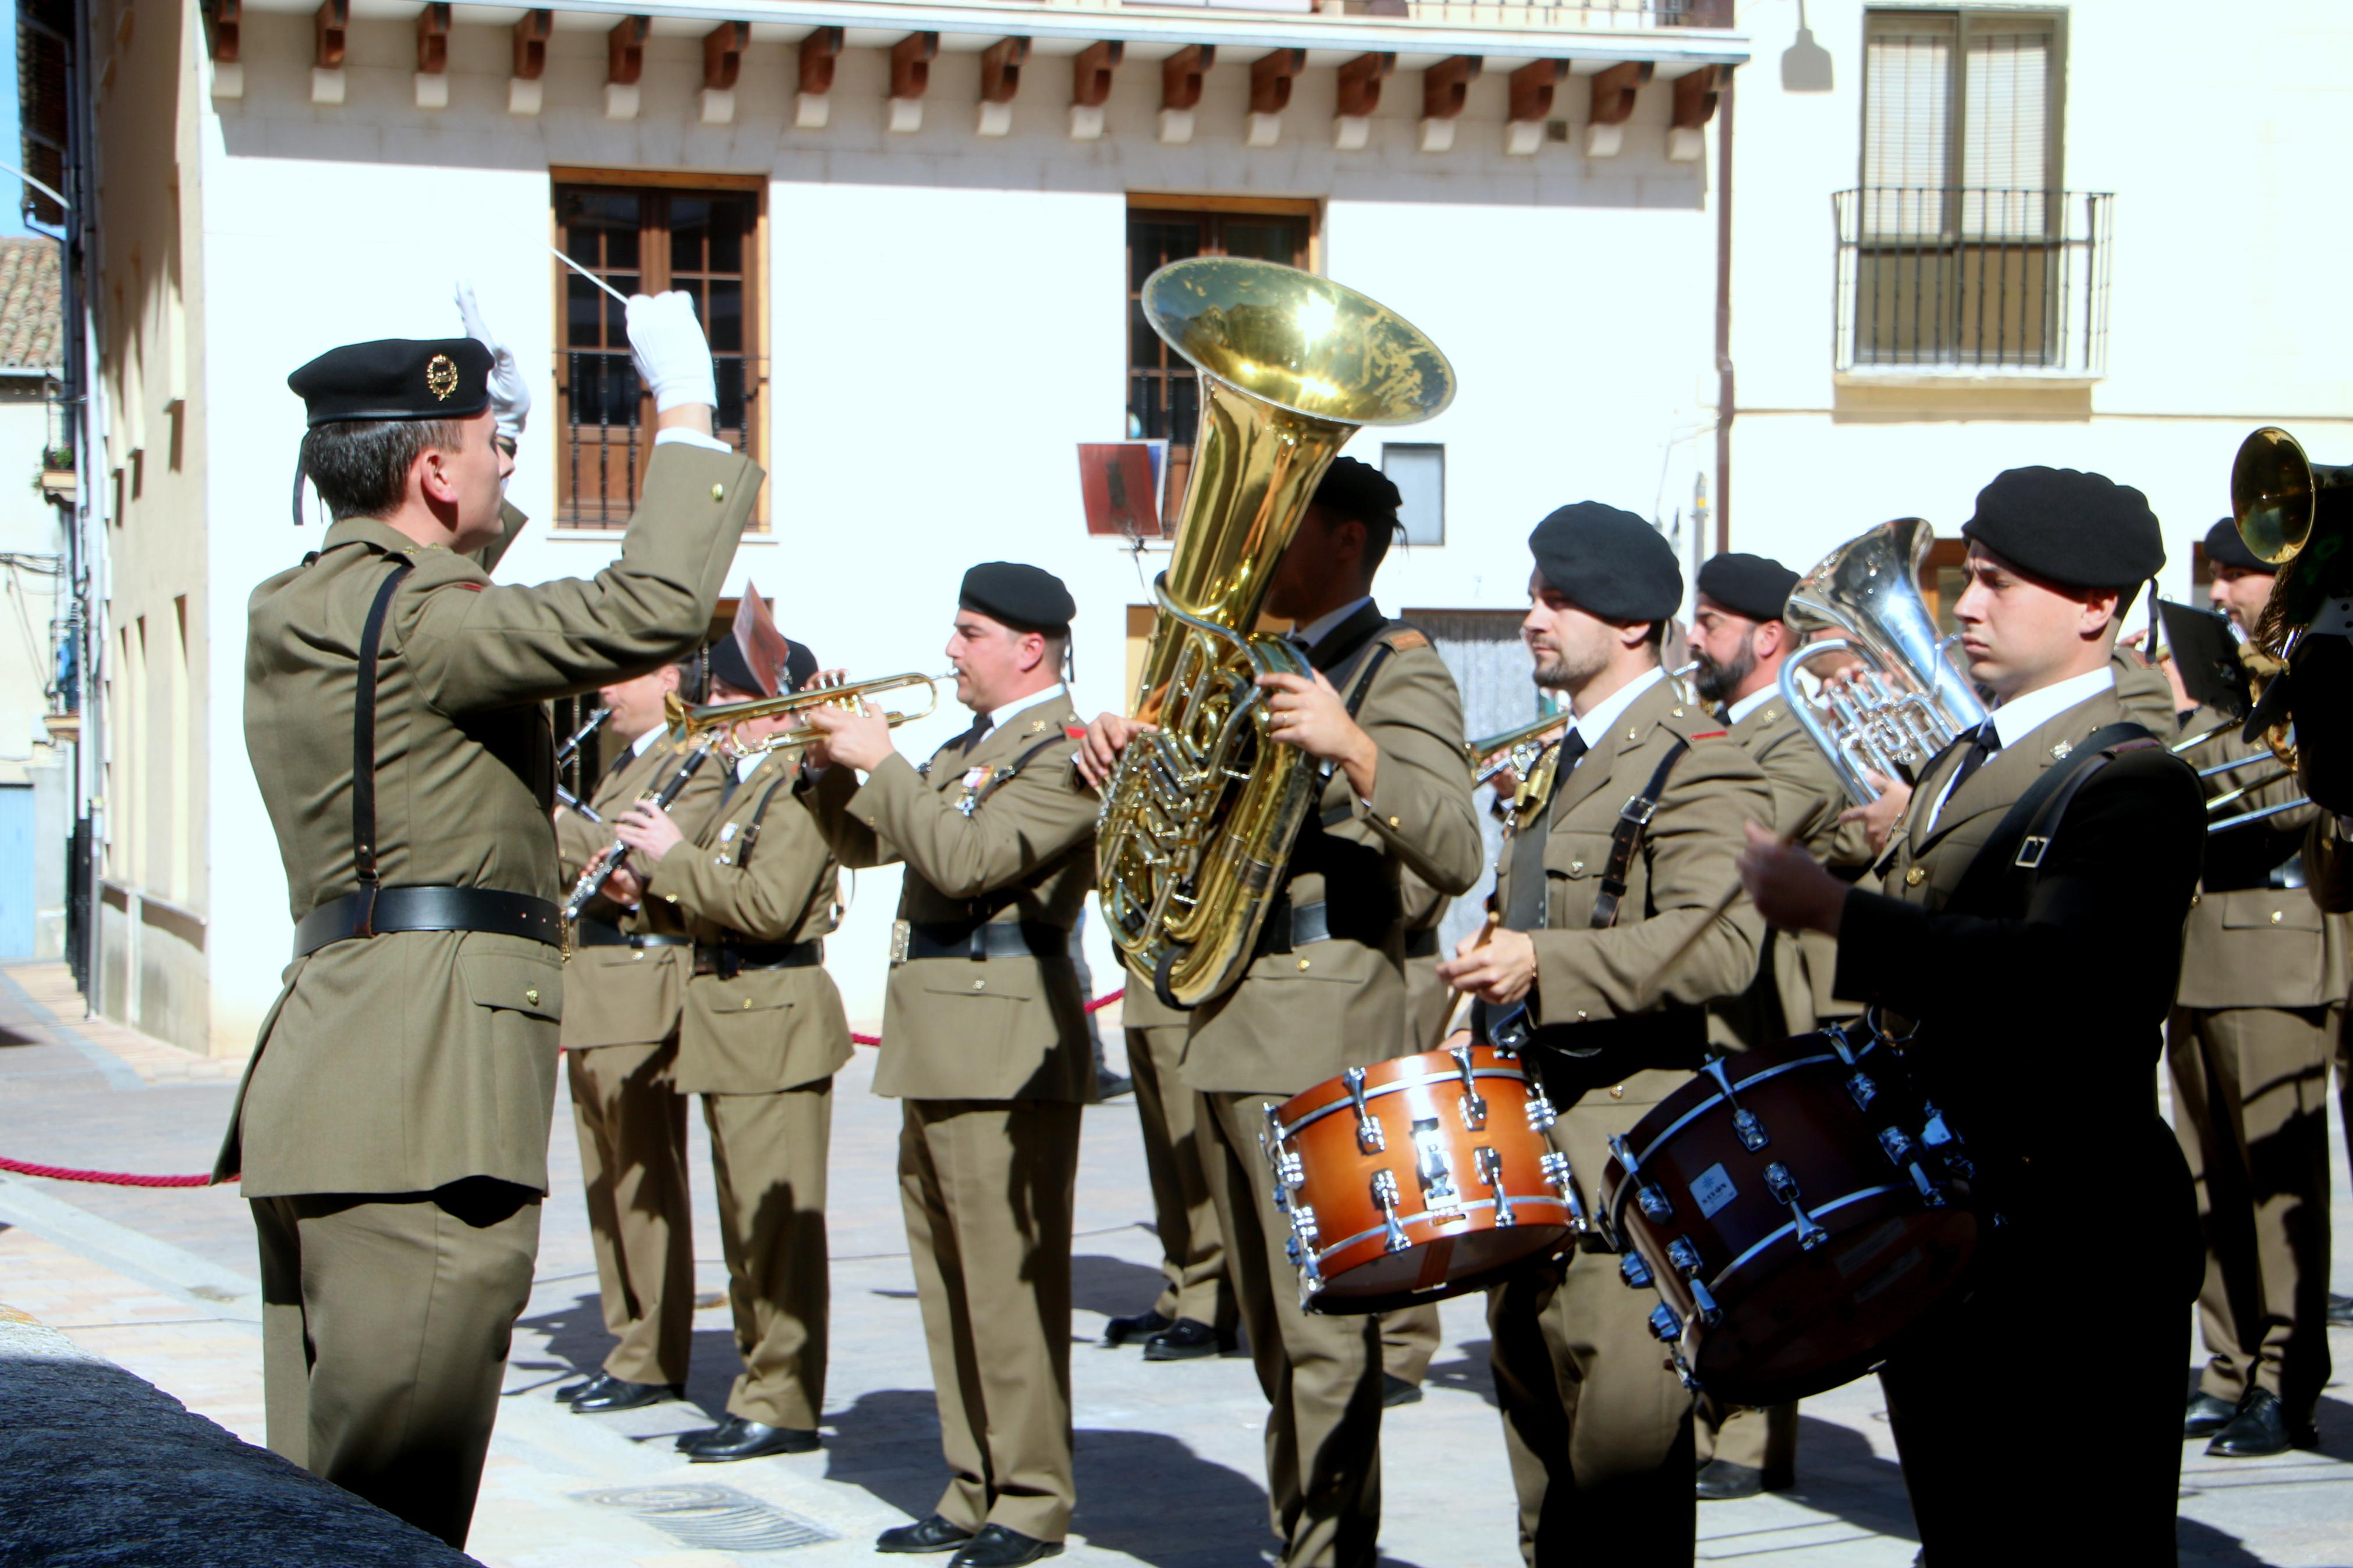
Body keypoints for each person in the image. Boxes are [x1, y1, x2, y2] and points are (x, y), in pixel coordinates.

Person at [216, 290, 755, 1546]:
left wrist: (482, 452)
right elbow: (647, 612)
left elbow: (424, 588)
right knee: (385, 1520)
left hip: (331, 1084)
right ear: (428, 466)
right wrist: (687, 416)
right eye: (489, 447)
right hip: (426, 1100)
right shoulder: (425, 626)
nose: (503, 464)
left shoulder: (301, 604)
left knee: (313, 1507)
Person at [1737, 465, 2203, 1563]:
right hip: (1950, 1212)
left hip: (2068, 1230)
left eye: (1998, 582)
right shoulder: (1968, 753)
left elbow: (2057, 980)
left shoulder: (2132, 782)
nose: (1965, 604)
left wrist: (1838, 916)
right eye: (1967, 578)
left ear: (2096, 607)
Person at [1078, 456, 1484, 1568]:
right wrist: (1131, 770)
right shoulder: (1253, 662)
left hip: (1321, 1025)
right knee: (1269, 1334)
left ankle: (1324, 1552)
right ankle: (1295, 1535)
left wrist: (1352, 746)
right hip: (1229, 1018)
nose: (1253, 551)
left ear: (1344, 542)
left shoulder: (1395, 669)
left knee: (1319, 1341)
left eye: (1282, 526)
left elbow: (1451, 846)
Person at [1436, 503, 1770, 1568]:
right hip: (1526, 1162)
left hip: (1626, 1172)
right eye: (1535, 593)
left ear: (1631, 624)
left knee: (1620, 1483)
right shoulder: (1561, 758)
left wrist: (1546, 967)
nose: (1533, 616)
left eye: (1558, 598)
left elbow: (1721, 947)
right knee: (1543, 1484)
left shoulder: (1695, 760)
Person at [797, 563, 1096, 1568]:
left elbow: (970, 862)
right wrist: (826, 760)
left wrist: (880, 760)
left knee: (1009, 1285)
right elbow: (867, 843)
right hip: (940, 1038)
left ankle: (1030, 1497)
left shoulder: (1064, 751)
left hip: (1005, 1045)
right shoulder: (969, 745)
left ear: (1028, 648)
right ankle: (972, 1484)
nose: (949, 651)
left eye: (968, 633)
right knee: (947, 1283)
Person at [606, 630, 853, 1463]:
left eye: (722, 699)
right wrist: (648, 882)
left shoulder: (792, 786)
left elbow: (769, 906)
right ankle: (758, 1384)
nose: (709, 713)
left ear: (766, 703)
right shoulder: (748, 785)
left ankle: (780, 1398)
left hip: (772, 1016)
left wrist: (672, 858)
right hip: (732, 1017)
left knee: (773, 1232)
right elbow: (711, 902)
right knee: (745, 1230)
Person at [1683, 550, 1876, 1501]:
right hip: (1714, 1006)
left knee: (1770, 1216)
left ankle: (1752, 1441)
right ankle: (1709, 1413)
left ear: (1766, 638)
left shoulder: (1799, 732)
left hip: (1777, 1008)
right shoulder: (1712, 731)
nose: (1692, 636)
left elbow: (1746, 832)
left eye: (1710, 621)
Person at [2169, 517, 2344, 1457]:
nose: (2221, 594)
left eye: (2239, 576)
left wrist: (2188, 719)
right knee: (2207, 1183)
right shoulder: (2230, 679)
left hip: (2272, 948)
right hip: (2196, 947)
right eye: (2216, 575)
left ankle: (2286, 1378)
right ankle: (2229, 1365)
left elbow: (2289, 800)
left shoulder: (2309, 680)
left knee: (2278, 1191)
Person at [551, 656, 723, 1416]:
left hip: (641, 984)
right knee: (603, 1179)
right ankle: (627, 1339)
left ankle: (652, 1353)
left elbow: (656, 869)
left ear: (665, 677)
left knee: (642, 1179)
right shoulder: (620, 760)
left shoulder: (690, 760)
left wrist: (554, 821)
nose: (603, 690)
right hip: (593, 987)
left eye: (621, 675)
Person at [1102, 973, 1241, 1362]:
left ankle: (1210, 1297)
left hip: (1190, 973)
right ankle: (1182, 1283)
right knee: (1166, 1159)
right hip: (1146, 976)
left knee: (1194, 1152)